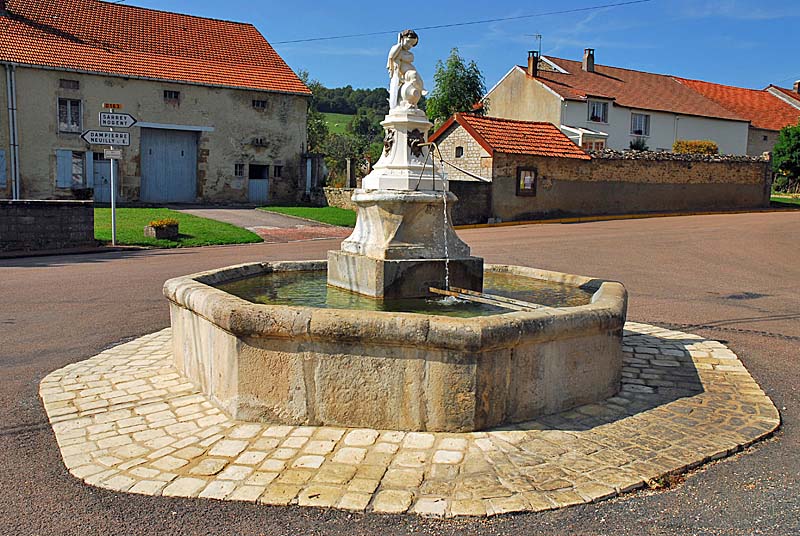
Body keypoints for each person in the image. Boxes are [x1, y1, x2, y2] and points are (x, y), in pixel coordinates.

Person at [386, 29, 426, 110]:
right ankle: (419, 90)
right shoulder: (396, 49)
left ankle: (421, 89)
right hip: (405, 74)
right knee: (413, 74)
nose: (409, 46)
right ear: (402, 38)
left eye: (412, 44)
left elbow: (410, 58)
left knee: (418, 78)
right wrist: (399, 45)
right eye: (408, 42)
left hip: (410, 72)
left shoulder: (408, 54)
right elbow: (391, 56)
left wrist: (400, 56)